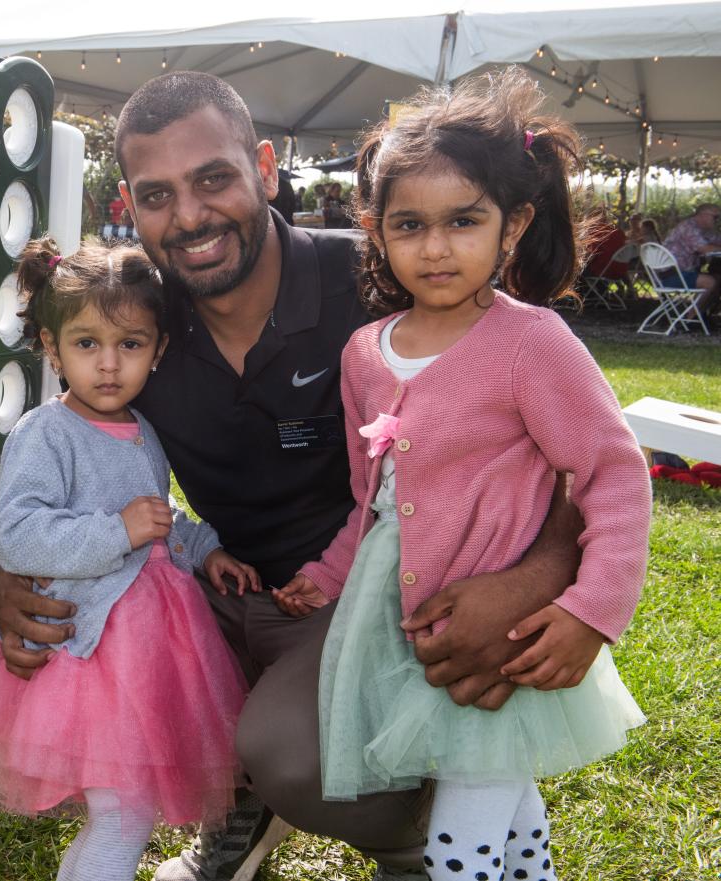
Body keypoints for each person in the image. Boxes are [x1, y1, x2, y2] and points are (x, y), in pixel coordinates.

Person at [0, 70, 583, 881]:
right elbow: (65, 449)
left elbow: (567, 451)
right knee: (128, 663)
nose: (190, 216)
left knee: (293, 758)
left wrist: (534, 583)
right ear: (128, 203)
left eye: (213, 178)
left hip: (374, 594)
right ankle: (244, 805)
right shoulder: (136, 324)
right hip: (219, 581)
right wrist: (13, 568)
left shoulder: (385, 283)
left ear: (265, 168)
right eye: (157, 194)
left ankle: (424, 845)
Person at [274, 69, 648, 881]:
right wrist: (327, 574)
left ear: (512, 226)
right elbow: (370, 500)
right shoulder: (363, 354)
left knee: (460, 842)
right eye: (410, 224)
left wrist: (594, 609)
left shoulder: (532, 344)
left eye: (463, 221)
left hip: (505, 633)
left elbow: (614, 476)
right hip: (405, 628)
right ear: (374, 230)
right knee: (501, 809)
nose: (436, 247)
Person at [0, 237, 260, 881]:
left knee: (128, 816)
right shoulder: (46, 432)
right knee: (124, 818)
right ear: (50, 346)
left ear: (159, 349)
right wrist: (115, 529)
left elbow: (158, 519)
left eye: (131, 344)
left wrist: (206, 552)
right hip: (92, 662)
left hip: (152, 660)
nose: (109, 365)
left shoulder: (143, 430)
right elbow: (19, 534)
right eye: (87, 344)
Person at [661, 203, 721, 322]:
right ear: (703, 215)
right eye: (715, 217)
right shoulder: (688, 228)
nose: (717, 221)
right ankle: (691, 317)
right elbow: (705, 249)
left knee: (718, 279)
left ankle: (701, 315)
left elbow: (717, 240)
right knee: (710, 282)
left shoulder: (703, 230)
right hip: (671, 275)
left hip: (683, 272)